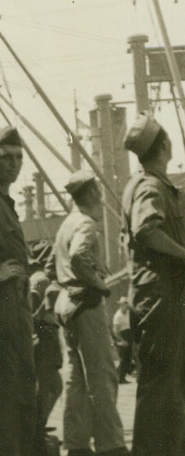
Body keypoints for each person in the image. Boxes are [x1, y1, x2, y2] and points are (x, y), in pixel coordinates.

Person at [121, 115, 185, 456]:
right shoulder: (151, 187)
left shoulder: (144, 183)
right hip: (160, 296)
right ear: (164, 146)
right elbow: (146, 229)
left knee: (176, 390)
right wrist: (183, 255)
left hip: (164, 296)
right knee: (162, 392)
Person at [52, 170, 127, 456]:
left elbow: (56, 262)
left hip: (66, 305)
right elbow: (77, 255)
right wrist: (98, 282)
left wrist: (82, 272)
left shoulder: (66, 225)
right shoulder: (86, 223)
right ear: (94, 193)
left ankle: (76, 444)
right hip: (86, 305)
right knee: (102, 376)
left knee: (75, 381)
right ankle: (111, 445)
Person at [0, 124, 43, 456]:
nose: (13, 164)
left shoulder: (7, 203)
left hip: (16, 316)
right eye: (6, 157)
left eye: (18, 157)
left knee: (20, 396)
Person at [30, 271, 63, 438]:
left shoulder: (40, 286)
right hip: (44, 348)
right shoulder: (35, 293)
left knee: (55, 387)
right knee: (48, 388)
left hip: (47, 347)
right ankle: (37, 426)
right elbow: (36, 318)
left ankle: (39, 424)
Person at [111, 297, 134, 384]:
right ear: (121, 305)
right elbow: (116, 331)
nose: (126, 306)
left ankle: (122, 378)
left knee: (128, 358)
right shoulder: (118, 316)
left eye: (127, 304)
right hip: (122, 336)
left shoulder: (128, 313)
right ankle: (118, 378)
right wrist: (122, 340)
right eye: (124, 304)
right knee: (123, 359)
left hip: (129, 335)